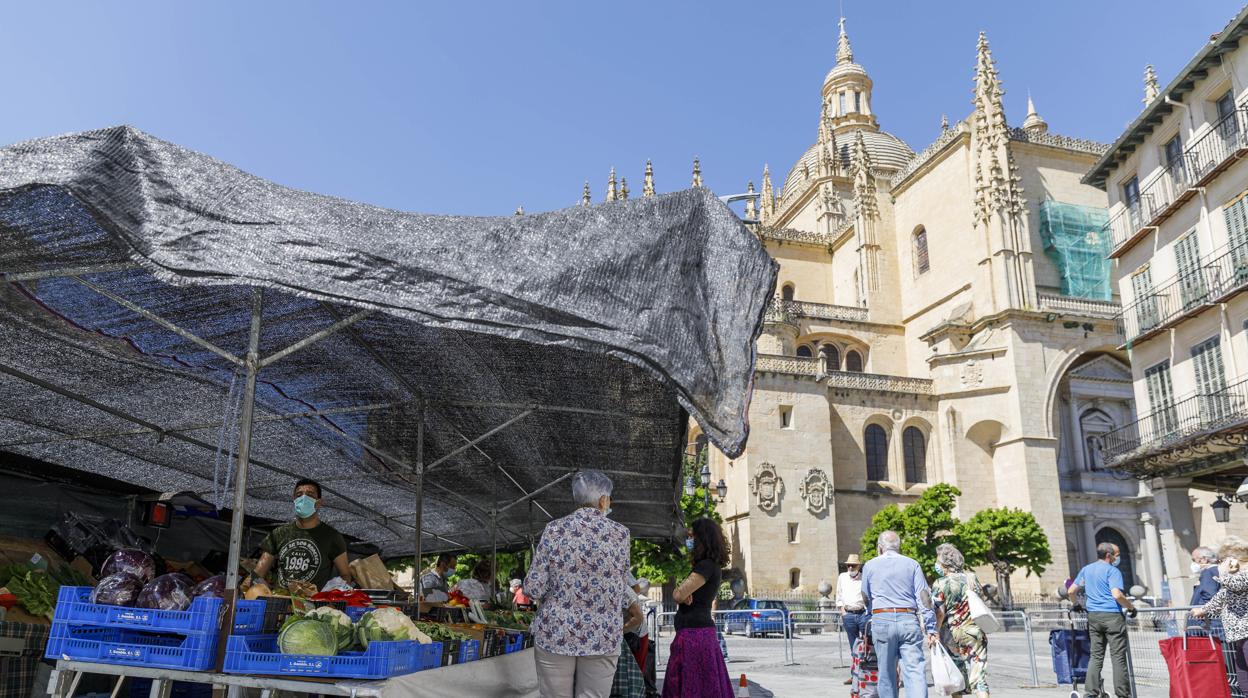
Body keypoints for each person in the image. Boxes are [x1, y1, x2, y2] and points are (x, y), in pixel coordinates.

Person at [526, 471, 638, 698]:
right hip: (603, 633)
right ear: (603, 500)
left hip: (556, 632)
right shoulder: (620, 534)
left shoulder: (554, 530)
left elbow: (533, 588)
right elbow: (620, 583)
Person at [662, 517, 734, 698]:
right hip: (698, 634)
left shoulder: (706, 566)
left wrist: (682, 592)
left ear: (702, 538)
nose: (689, 539)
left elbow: (678, 594)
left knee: (694, 687)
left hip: (694, 636)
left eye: (692, 536)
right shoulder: (709, 566)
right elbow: (683, 594)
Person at [860, 531, 936, 698]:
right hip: (908, 618)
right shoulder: (912, 564)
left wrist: (872, 611)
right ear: (899, 547)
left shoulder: (869, 565)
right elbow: (924, 597)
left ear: (880, 547)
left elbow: (865, 595)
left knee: (886, 672)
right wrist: (931, 627)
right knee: (915, 670)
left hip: (882, 618)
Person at [251, 478, 352, 591]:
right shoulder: (279, 533)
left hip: (313, 606)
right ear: (294, 500)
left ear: (319, 503)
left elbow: (345, 575)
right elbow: (258, 573)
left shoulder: (332, 536)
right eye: (299, 494)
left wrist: (332, 596)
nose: (303, 498)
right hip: (281, 602)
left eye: (310, 494)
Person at [1068, 542, 1137, 698]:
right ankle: (1122, 694)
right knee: (1118, 657)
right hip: (1112, 616)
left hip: (1093, 616)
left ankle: (1090, 693)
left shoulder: (1086, 569)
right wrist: (1131, 608)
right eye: (1117, 555)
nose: (1117, 558)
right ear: (1108, 555)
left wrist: (1077, 604)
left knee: (1096, 656)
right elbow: (1117, 595)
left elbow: (1071, 590)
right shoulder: (1113, 571)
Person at [932, 543, 989, 698]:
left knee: (956, 677)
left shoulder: (940, 583)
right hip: (974, 631)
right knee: (979, 678)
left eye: (938, 561)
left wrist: (934, 631)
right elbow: (980, 602)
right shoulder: (972, 578)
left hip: (952, 634)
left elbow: (939, 612)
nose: (936, 564)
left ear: (945, 563)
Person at [1194, 537, 1248, 696]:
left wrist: (1225, 572)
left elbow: (1235, 584)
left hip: (1246, 633)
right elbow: (1221, 596)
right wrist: (1203, 610)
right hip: (1238, 635)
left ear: (1234, 559)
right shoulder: (1232, 577)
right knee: (1243, 677)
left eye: (1223, 559)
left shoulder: (1243, 575)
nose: (1220, 563)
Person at [837, 553, 867, 685]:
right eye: (848, 565)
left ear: (858, 566)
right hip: (848, 614)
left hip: (862, 614)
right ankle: (854, 674)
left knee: (867, 645)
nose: (850, 568)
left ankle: (867, 673)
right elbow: (839, 594)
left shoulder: (864, 578)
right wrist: (842, 611)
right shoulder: (842, 577)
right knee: (853, 646)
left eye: (853, 565)